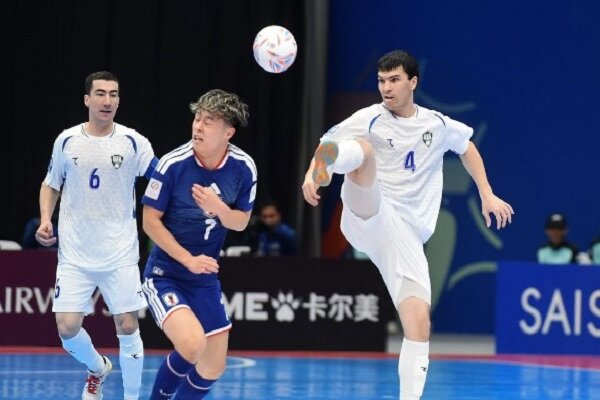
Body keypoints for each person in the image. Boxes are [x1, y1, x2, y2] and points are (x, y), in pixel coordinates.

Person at [302, 50, 514, 400]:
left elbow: (466, 147)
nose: (386, 87)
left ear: (413, 82)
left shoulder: (436, 124)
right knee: (363, 149)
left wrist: (487, 193)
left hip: (406, 236)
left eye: (394, 80)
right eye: (381, 81)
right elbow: (327, 142)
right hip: (370, 211)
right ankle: (327, 172)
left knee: (419, 322)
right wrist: (313, 172)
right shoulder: (370, 118)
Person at [35, 71, 157, 400]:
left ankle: (132, 398)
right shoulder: (66, 140)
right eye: (101, 93)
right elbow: (51, 184)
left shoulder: (134, 141)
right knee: (67, 328)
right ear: (87, 99)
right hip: (75, 253)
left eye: (114, 94)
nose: (107, 100)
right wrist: (46, 219)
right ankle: (98, 368)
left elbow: (161, 177)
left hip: (120, 252)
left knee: (128, 325)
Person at [141, 89, 256, 399]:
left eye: (209, 121)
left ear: (228, 132)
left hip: (204, 279)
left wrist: (218, 208)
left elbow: (240, 222)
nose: (198, 126)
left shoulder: (243, 167)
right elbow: (150, 222)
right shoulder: (173, 164)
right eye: (197, 118)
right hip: (165, 274)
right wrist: (187, 259)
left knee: (213, 366)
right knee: (192, 345)